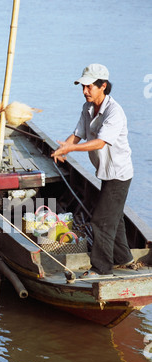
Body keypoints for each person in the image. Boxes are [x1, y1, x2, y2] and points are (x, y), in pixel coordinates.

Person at [51, 63, 134, 277]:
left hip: (119, 173)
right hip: (105, 171)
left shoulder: (114, 112)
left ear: (103, 86)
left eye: (89, 87)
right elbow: (77, 133)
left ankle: (101, 268)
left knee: (101, 221)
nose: (85, 91)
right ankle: (124, 258)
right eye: (82, 87)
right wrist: (63, 148)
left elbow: (100, 142)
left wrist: (71, 148)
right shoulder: (87, 108)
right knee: (114, 217)